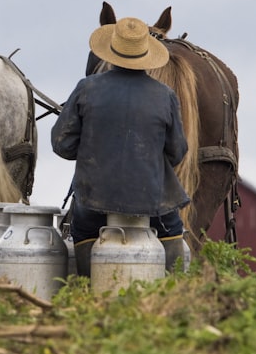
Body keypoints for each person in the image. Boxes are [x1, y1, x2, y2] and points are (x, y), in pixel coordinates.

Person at [51, 17, 190, 275]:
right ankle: (173, 291)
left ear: (111, 52)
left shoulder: (86, 88)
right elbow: (177, 151)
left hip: (94, 202)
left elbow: (62, 145)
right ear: (146, 55)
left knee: (80, 229)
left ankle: (86, 285)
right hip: (153, 204)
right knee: (173, 230)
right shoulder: (166, 96)